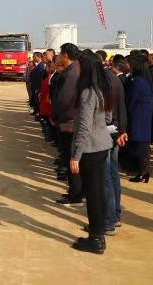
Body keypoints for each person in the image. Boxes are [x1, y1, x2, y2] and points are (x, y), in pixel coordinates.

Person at [70, 50, 114, 254]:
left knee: (93, 194)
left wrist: (76, 155)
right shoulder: (101, 89)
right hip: (102, 145)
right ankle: (98, 230)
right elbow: (107, 118)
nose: (76, 69)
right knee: (98, 191)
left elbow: (84, 128)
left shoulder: (87, 93)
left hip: (90, 148)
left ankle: (96, 238)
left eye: (78, 66)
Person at [53, 43, 82, 206]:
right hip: (73, 119)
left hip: (69, 122)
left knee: (70, 157)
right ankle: (76, 191)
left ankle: (75, 194)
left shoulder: (71, 73)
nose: (57, 57)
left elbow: (63, 100)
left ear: (65, 55)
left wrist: (54, 116)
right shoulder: (76, 69)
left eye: (59, 54)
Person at [102, 54, 127, 234]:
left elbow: (107, 114)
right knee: (112, 174)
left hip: (107, 134)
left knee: (106, 178)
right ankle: (115, 215)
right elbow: (122, 108)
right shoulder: (114, 79)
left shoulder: (104, 82)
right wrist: (122, 130)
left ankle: (109, 220)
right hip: (115, 131)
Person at [126, 55, 153, 183]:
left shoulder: (137, 81)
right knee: (143, 146)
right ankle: (144, 172)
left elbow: (131, 100)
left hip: (138, 116)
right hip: (143, 116)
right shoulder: (143, 80)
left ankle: (143, 173)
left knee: (140, 147)